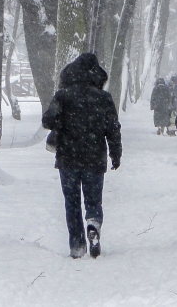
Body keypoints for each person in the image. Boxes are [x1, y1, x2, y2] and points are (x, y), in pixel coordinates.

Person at [42, 53, 121, 259]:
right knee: (94, 200)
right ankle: (93, 223)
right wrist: (115, 153)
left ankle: (77, 245)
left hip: (68, 158)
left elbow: (47, 121)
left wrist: (61, 121)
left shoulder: (63, 95)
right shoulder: (103, 98)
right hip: (95, 158)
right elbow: (113, 128)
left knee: (72, 202)